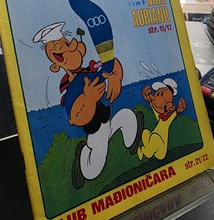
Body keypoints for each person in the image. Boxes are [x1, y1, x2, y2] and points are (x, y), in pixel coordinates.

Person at [33, 21, 143, 189]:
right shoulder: (69, 88)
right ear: (55, 66)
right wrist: (89, 99)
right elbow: (74, 117)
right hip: (94, 126)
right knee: (95, 167)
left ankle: (132, 142)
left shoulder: (89, 70)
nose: (73, 46)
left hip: (105, 115)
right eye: (61, 51)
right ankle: (83, 158)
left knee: (126, 116)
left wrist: (115, 76)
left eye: (67, 43)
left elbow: (110, 64)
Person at [137, 78, 186, 161]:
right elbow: (153, 104)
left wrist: (178, 110)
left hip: (161, 150)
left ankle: (144, 152)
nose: (154, 96)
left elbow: (173, 114)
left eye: (159, 94)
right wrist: (147, 97)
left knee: (155, 137)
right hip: (153, 140)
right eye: (156, 93)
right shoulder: (159, 114)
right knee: (145, 132)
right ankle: (145, 148)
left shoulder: (166, 119)